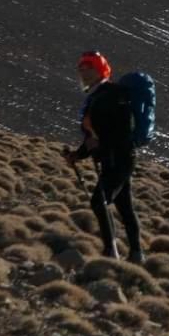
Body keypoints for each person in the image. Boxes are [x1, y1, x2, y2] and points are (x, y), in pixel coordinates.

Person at [63, 50, 145, 263]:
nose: (83, 72)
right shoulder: (98, 95)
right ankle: (136, 255)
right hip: (113, 158)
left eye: (89, 67)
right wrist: (78, 155)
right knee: (124, 206)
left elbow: (118, 131)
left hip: (119, 158)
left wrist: (100, 144)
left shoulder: (112, 94)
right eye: (81, 68)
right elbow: (93, 135)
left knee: (99, 201)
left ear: (101, 70)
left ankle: (111, 252)